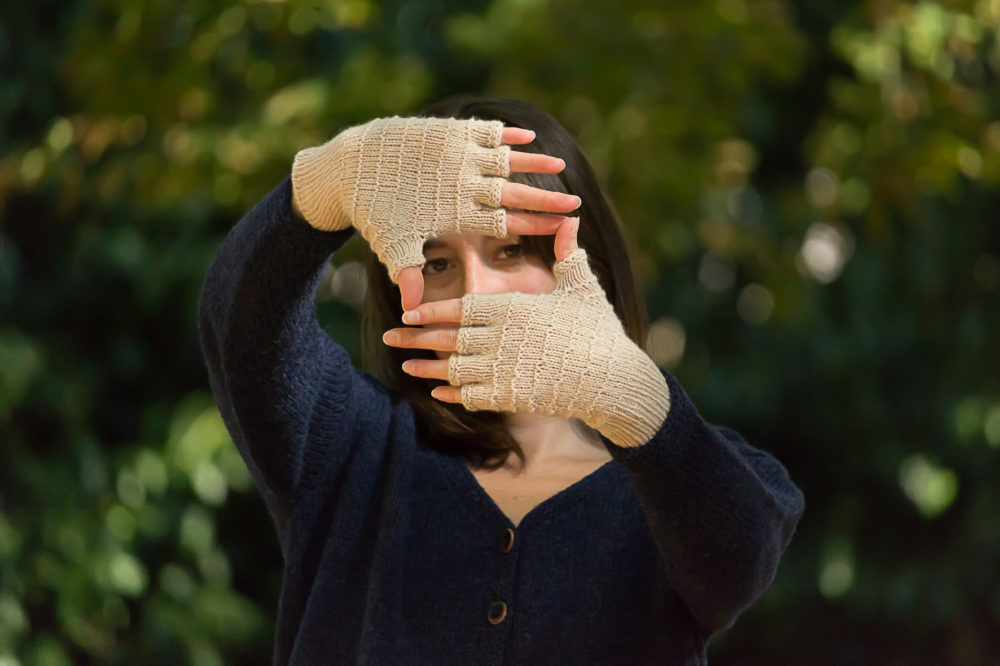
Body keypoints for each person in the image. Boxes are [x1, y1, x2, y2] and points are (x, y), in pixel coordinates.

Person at [197, 96, 805, 665]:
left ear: (588, 263)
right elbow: (241, 332)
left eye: (511, 250)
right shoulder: (351, 445)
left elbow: (738, 563)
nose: (474, 291)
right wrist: (329, 180)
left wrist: (630, 395)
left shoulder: (682, 477)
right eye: (437, 262)